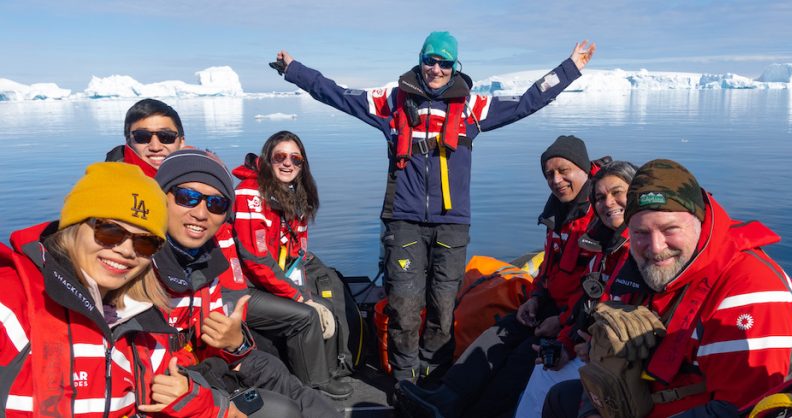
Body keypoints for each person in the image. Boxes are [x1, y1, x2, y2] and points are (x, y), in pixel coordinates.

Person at [272, 31, 596, 382]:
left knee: (443, 306)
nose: (436, 69)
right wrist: (294, 71)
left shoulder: (472, 108)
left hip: (452, 225)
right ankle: (404, 378)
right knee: (405, 305)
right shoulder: (391, 101)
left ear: (455, 67)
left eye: (445, 63)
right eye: (431, 61)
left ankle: (435, 374)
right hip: (404, 221)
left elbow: (527, 101)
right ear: (421, 60)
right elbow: (335, 93)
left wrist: (570, 68)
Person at [554, 159, 792, 418]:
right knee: (560, 399)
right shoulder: (641, 269)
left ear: (698, 220)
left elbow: (740, 409)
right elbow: (605, 352)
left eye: (670, 229)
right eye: (640, 232)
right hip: (640, 398)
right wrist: (592, 410)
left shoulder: (750, 290)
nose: (655, 247)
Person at [0, 162, 229, 417]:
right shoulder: (13, 303)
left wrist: (193, 395)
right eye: (110, 232)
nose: (126, 250)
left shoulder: (141, 318)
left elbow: (174, 371)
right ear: (74, 226)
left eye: (145, 242)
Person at [397, 135, 603, 417]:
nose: (556, 180)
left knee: (522, 357)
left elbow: (597, 285)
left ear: (582, 168)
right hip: (549, 307)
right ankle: (445, 399)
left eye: (563, 171)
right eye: (549, 174)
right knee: (495, 335)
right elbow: (547, 269)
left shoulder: (598, 215)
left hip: (574, 317)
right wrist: (535, 299)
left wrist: (563, 320)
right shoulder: (559, 211)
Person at [152, 149, 340, 416]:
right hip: (182, 385)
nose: (201, 212)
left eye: (216, 204)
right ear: (161, 197)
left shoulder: (204, 266)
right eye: (187, 197)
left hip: (209, 362)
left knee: (296, 388)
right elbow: (257, 260)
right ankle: (319, 380)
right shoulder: (140, 268)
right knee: (283, 405)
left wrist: (236, 343)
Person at [231, 131, 353, 398]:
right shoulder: (249, 195)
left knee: (325, 305)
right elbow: (255, 260)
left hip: (269, 282)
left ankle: (331, 370)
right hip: (241, 288)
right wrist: (300, 299)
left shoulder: (293, 195)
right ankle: (314, 385)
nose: (288, 164)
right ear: (268, 158)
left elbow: (295, 255)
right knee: (306, 316)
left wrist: (307, 295)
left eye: (295, 159)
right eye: (280, 157)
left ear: (302, 165)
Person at [515, 160, 637, 418]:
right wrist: (565, 346)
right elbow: (586, 302)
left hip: (625, 362)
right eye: (601, 198)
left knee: (545, 380)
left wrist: (594, 347)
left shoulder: (642, 252)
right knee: (541, 368)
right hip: (588, 341)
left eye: (618, 193)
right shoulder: (603, 249)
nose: (608, 203)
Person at [106, 98, 186, 176]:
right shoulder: (107, 183)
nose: (155, 147)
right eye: (142, 136)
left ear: (181, 142)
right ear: (128, 140)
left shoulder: (195, 178)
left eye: (166, 136)